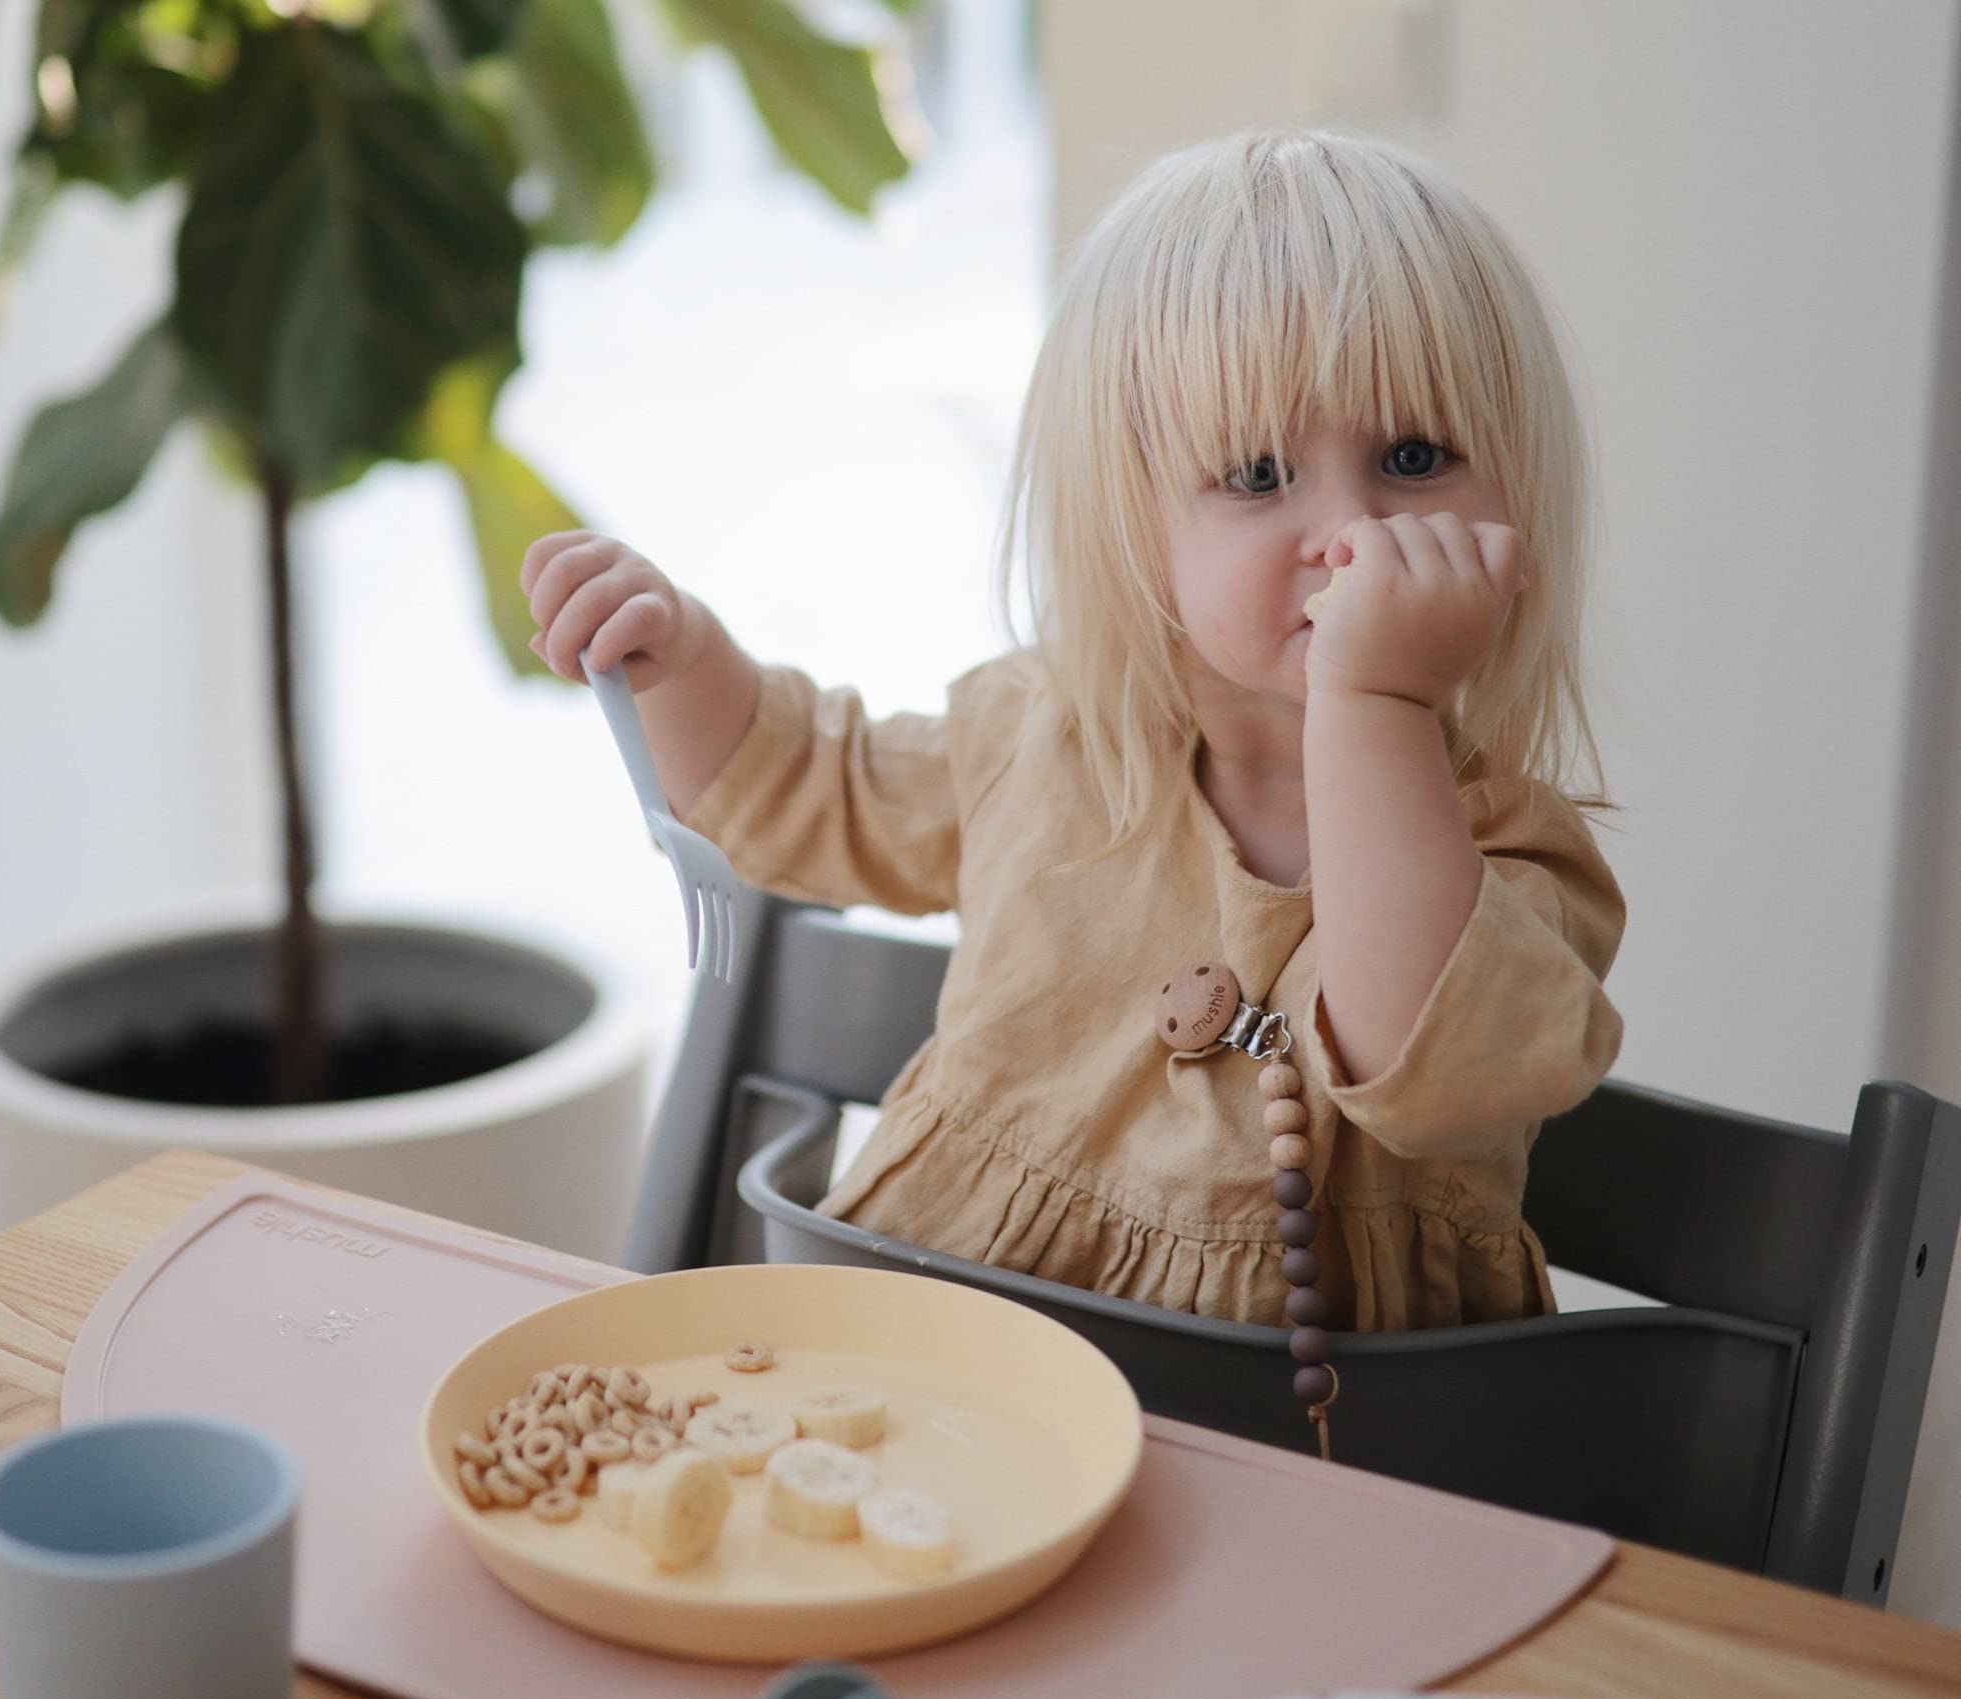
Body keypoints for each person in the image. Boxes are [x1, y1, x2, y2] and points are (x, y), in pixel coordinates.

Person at [522, 129, 1624, 1337]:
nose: (1351, 531)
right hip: (937, 1393)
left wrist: (1376, 706)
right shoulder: (1041, 743)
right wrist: (678, 657)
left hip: (1304, 1468)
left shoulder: (1514, 863)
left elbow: (1433, 1075)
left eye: (1414, 459)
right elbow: (808, 785)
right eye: (1258, 475)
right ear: (1134, 527)